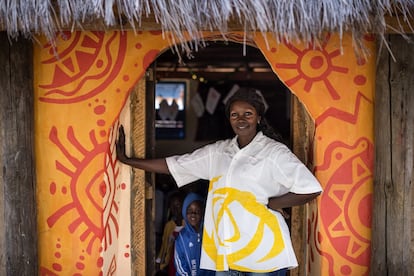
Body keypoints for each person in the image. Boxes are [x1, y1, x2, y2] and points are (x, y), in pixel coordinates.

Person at [117, 87, 322, 275]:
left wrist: (275, 203)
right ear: (229, 119)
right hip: (226, 254)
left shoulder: (274, 152)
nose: (241, 119)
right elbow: (176, 164)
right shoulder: (218, 152)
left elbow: (310, 188)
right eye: (235, 115)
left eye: (247, 114)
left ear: (258, 117)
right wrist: (129, 160)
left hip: (264, 254)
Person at [174, 193, 215, 276]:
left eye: (197, 211)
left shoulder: (210, 233)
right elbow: (180, 266)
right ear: (185, 212)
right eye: (189, 210)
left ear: (202, 213)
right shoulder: (181, 238)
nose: (193, 214)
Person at [156, 191, 185, 275]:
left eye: (178, 205)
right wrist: (158, 261)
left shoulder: (188, 225)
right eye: (172, 206)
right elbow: (164, 245)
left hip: (185, 263)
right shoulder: (169, 226)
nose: (175, 209)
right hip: (171, 262)